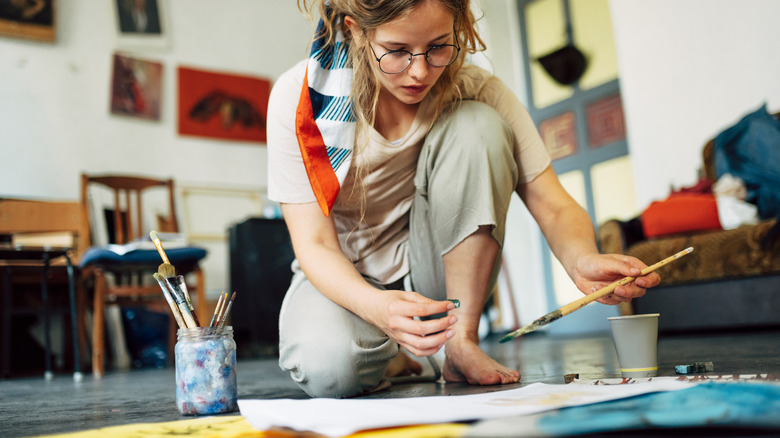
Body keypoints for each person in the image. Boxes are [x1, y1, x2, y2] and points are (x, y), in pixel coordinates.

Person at [267, 0, 660, 398]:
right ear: (355, 30)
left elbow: (552, 202)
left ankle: (460, 343)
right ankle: (400, 355)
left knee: (480, 126)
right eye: (398, 51)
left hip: (437, 270)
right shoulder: (300, 100)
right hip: (345, 270)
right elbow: (314, 244)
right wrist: (379, 309)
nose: (420, 72)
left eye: (438, 46)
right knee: (331, 371)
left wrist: (582, 260)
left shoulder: (474, 86)